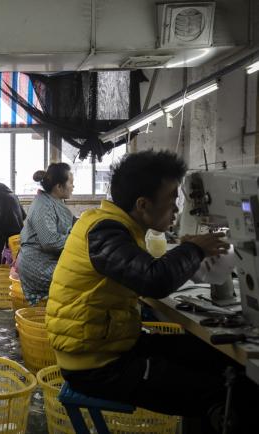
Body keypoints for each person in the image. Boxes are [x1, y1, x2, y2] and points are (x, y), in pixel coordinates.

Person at [46, 150, 258, 433]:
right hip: (95, 366)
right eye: (172, 200)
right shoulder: (104, 233)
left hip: (109, 344)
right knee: (223, 391)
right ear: (143, 204)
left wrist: (187, 255)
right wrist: (193, 250)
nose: (177, 210)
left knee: (212, 355)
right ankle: (220, 411)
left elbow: (145, 269)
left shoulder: (115, 226)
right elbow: (154, 280)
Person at [17, 164, 74, 305]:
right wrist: (78, 240)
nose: (73, 186)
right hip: (38, 265)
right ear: (59, 187)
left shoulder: (54, 201)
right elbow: (49, 241)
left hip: (45, 260)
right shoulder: (43, 205)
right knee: (82, 278)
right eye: (71, 183)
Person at [0, 183, 26, 266]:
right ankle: (12, 273)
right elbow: (23, 215)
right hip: (16, 229)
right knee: (15, 252)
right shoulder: (13, 195)